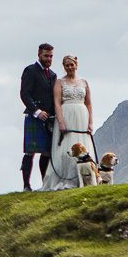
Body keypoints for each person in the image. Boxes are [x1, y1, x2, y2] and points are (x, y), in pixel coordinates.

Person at [43, 54, 95, 190]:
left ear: (76, 65)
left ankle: (86, 177)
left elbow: (89, 103)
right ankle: (65, 176)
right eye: (67, 65)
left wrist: (90, 123)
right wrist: (61, 121)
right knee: (66, 145)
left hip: (82, 115)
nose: (70, 67)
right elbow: (57, 103)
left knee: (83, 144)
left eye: (72, 64)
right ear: (64, 67)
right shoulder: (60, 82)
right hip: (66, 114)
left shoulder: (84, 82)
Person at [19, 43, 57, 191]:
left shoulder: (53, 75)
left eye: (51, 56)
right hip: (34, 116)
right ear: (39, 55)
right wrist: (37, 111)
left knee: (46, 152)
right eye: (46, 56)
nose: (48, 59)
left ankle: (44, 184)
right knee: (30, 151)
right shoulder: (30, 71)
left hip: (49, 119)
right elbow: (24, 94)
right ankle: (26, 185)